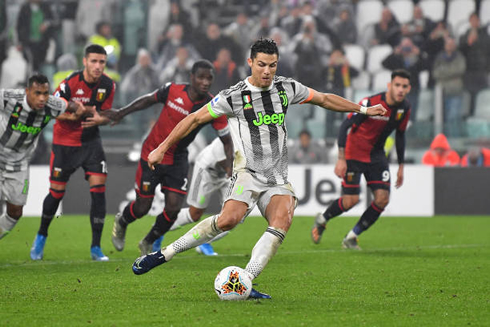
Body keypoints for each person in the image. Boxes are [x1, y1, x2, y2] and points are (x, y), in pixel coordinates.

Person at [131, 38, 386, 299]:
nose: (267, 71)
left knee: (282, 220)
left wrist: (362, 110)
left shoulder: (287, 88)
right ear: (250, 62)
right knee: (227, 220)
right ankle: (163, 254)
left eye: (272, 65)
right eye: (262, 64)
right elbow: (195, 118)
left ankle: (246, 279)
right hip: (247, 174)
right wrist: (161, 148)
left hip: (277, 179)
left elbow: (323, 99)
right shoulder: (234, 96)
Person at [109, 60, 233, 256]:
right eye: (201, 77)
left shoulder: (212, 107)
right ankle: (122, 222)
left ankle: (148, 241)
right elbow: (148, 100)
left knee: (174, 208)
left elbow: (226, 140)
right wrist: (121, 113)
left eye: (209, 78)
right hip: (152, 153)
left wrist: (230, 167)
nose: (205, 82)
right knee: (142, 207)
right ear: (191, 77)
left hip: (177, 159)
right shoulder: (173, 90)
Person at [30, 44, 116, 261]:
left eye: (102, 62)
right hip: (65, 143)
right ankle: (41, 235)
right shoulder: (69, 83)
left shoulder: (108, 85)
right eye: (94, 61)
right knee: (56, 193)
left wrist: (100, 119)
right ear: (85, 61)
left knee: (99, 191)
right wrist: (78, 114)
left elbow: (105, 114)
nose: (98, 66)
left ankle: (96, 247)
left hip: (91, 143)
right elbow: (52, 111)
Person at [311, 69, 411, 250]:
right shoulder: (370, 103)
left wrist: (401, 166)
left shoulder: (404, 108)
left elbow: (401, 135)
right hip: (354, 153)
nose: (400, 90)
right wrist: (341, 158)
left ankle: (352, 236)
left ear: (409, 88)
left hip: (377, 156)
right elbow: (345, 126)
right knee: (351, 200)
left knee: (382, 199)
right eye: (397, 85)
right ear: (389, 86)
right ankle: (323, 218)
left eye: (404, 86)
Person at [0, 74, 92, 239]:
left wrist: (78, 110)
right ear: (27, 91)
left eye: (45, 93)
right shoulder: (9, 98)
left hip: (19, 163)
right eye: (37, 93)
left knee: (15, 212)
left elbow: (73, 107)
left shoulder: (52, 103)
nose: (42, 98)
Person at [157, 137, 235, 256]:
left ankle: (204, 241)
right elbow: (228, 166)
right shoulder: (227, 138)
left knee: (233, 217)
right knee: (194, 213)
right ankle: (158, 230)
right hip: (206, 170)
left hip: (226, 175)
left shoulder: (252, 138)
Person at [432, 37, 466, 136]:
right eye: (448, 44)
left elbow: (460, 69)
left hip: (455, 92)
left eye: (452, 44)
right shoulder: (440, 57)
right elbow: (435, 73)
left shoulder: (459, 57)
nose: (450, 46)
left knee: (454, 117)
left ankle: (454, 141)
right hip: (442, 93)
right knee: (443, 119)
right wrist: (451, 72)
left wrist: (444, 72)